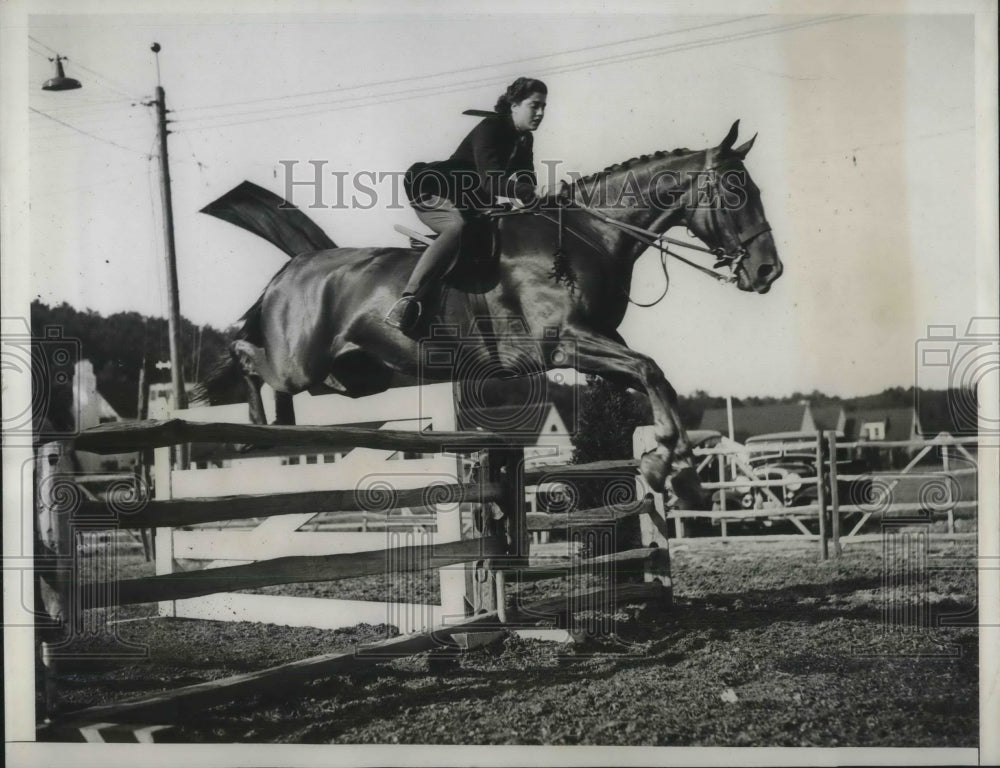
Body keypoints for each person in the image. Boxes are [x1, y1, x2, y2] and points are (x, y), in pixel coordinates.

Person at [385, 77, 547, 332]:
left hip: (470, 198)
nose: (540, 113)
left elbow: (525, 180)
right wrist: (530, 192)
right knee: (455, 228)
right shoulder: (491, 128)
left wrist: (540, 199)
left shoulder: (524, 140)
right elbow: (492, 182)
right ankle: (407, 300)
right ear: (514, 104)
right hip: (432, 188)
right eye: (534, 105)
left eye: (543, 108)